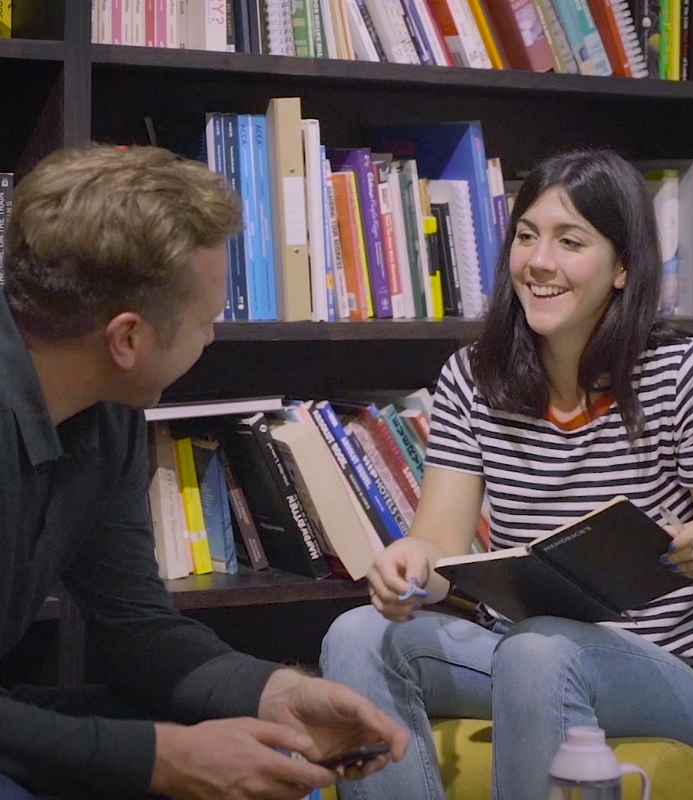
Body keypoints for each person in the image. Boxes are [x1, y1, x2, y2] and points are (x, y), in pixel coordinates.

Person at [320, 149, 693, 800]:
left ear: (622, 267)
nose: (539, 262)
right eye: (527, 236)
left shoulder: (686, 374)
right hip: (521, 653)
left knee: (538, 650)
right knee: (358, 635)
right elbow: (438, 542)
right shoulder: (475, 377)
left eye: (570, 241)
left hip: (669, 676)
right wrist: (408, 566)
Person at [0, 144, 408, 800]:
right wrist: (161, 759)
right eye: (205, 321)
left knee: (264, 753)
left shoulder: (108, 413)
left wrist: (274, 693)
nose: (212, 338)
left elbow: (137, 630)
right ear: (127, 339)